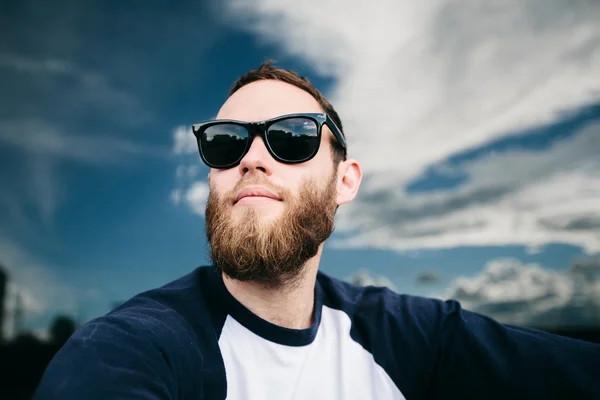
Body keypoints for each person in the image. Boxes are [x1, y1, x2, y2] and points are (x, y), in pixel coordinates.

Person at [34, 60, 599, 400]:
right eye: (227, 142)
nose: (252, 158)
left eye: (294, 137)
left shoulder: (409, 337)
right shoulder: (136, 349)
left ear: (344, 181)